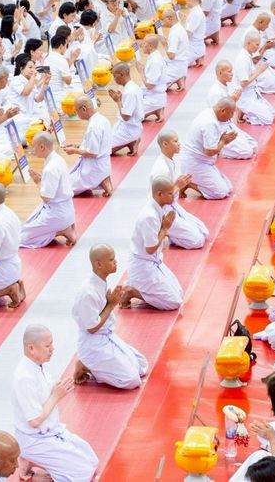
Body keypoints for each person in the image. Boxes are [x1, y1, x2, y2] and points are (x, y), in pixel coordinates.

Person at [11, 324, 99, 481]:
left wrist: (58, 388)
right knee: (83, 474)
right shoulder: (24, 377)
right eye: (47, 346)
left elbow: (46, 394)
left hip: (50, 432)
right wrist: (57, 395)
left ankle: (37, 461)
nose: (52, 349)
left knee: (91, 460)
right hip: (34, 439)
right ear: (31, 348)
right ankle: (33, 462)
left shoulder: (38, 366)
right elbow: (34, 421)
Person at [73, 244, 148, 389]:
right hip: (92, 344)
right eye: (111, 259)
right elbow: (92, 328)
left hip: (105, 337)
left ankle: (95, 365)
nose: (116, 262)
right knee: (131, 380)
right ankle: (86, 365)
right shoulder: (87, 293)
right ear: (99, 264)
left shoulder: (100, 282)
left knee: (141, 365)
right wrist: (111, 304)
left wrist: (109, 302)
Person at [122, 177, 183, 311]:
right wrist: (165, 229)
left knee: (178, 293)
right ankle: (132, 291)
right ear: (159, 194)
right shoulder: (149, 216)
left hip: (152, 262)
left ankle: (137, 285)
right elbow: (150, 249)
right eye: (170, 193)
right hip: (142, 266)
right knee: (174, 302)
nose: (173, 195)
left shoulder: (157, 207)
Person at [150, 130, 209, 249]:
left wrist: (178, 185)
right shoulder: (161, 169)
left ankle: (173, 234)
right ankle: (163, 231)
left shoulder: (168, 160)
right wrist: (177, 186)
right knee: (197, 241)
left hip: (172, 205)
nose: (179, 144)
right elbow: (160, 198)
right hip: (163, 210)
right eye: (176, 141)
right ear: (165, 144)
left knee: (204, 232)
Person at [20, 132, 76, 248]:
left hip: (57, 214)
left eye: (34, 146)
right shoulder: (58, 159)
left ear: (42, 147)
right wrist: (42, 179)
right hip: (67, 209)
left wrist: (38, 182)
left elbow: (46, 197)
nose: (32, 149)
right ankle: (64, 227)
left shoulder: (50, 168)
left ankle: (62, 231)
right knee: (27, 226)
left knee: (23, 238)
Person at [179, 98, 239, 200]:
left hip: (202, 162)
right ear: (222, 110)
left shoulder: (209, 113)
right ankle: (188, 183)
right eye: (231, 113)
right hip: (194, 163)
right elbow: (209, 152)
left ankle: (192, 181)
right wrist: (223, 141)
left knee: (228, 187)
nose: (231, 117)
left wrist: (221, 140)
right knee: (220, 192)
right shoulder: (210, 122)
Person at [65, 95, 113, 196]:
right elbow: (97, 146)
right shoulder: (102, 119)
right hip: (103, 164)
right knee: (66, 179)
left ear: (83, 109)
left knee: (63, 189)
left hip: (94, 168)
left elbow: (93, 153)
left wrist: (74, 150)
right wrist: (77, 146)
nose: (76, 113)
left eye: (76, 110)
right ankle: (100, 180)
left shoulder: (94, 126)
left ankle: (100, 180)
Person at [108, 62, 145, 156]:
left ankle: (132, 140)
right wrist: (120, 99)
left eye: (114, 76)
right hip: (127, 127)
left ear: (121, 74)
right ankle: (131, 141)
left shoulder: (130, 92)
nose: (114, 79)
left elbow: (126, 117)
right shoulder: (133, 86)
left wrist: (118, 101)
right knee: (101, 142)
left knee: (102, 151)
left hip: (129, 130)